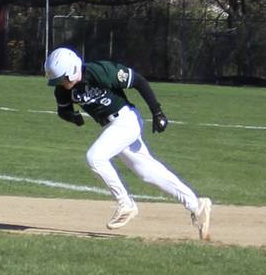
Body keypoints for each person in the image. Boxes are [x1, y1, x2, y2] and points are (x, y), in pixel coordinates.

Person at [44, 46, 212, 240]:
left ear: (73, 68)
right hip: (111, 127)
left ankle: (125, 204)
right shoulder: (63, 89)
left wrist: (157, 112)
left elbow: (138, 81)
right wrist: (72, 117)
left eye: (63, 78)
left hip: (126, 120)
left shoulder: (100, 71)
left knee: (94, 157)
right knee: (148, 173)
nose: (61, 83)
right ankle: (197, 205)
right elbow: (63, 110)